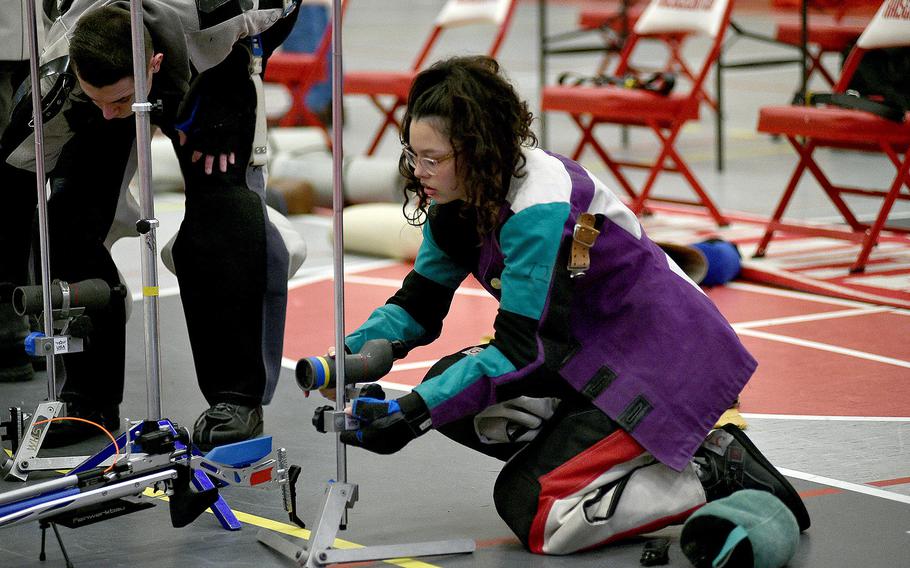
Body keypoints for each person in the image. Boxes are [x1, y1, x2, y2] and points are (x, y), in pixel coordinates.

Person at [332, 55, 811, 555]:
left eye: (433, 159)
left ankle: (705, 470)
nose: (418, 171)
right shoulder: (458, 198)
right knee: (451, 394)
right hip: (588, 355)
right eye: (412, 154)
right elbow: (418, 305)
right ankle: (606, 454)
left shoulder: (540, 207)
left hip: (663, 364)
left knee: (536, 510)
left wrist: (413, 414)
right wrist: (345, 357)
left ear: (478, 151)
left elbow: (525, 352)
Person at [0, 0, 300, 450]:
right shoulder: (61, 66)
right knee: (65, 220)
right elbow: (16, 174)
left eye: (118, 100)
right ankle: (88, 400)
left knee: (221, 214)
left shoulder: (216, 11)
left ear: (155, 64)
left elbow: (288, 6)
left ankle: (235, 399)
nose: (108, 112)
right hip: (105, 64)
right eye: (98, 99)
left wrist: (224, 84)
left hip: (209, 64)